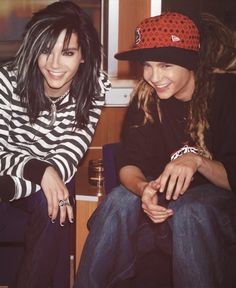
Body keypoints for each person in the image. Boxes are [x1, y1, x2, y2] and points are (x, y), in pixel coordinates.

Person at [75, 11, 236, 288]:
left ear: (191, 63)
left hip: (218, 209)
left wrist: (196, 161)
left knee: (190, 209)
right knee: (118, 199)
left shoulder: (226, 94)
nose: (153, 77)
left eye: (165, 66)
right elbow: (128, 164)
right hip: (164, 201)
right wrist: (142, 189)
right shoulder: (147, 99)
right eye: (147, 66)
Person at [0, 1, 110, 287]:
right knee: (53, 195)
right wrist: (40, 170)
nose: (54, 64)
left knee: (52, 199)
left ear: (83, 55)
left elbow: (69, 154)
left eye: (68, 52)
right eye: (46, 50)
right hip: (15, 173)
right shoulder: (7, 82)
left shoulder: (93, 88)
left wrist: (25, 182)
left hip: (27, 183)